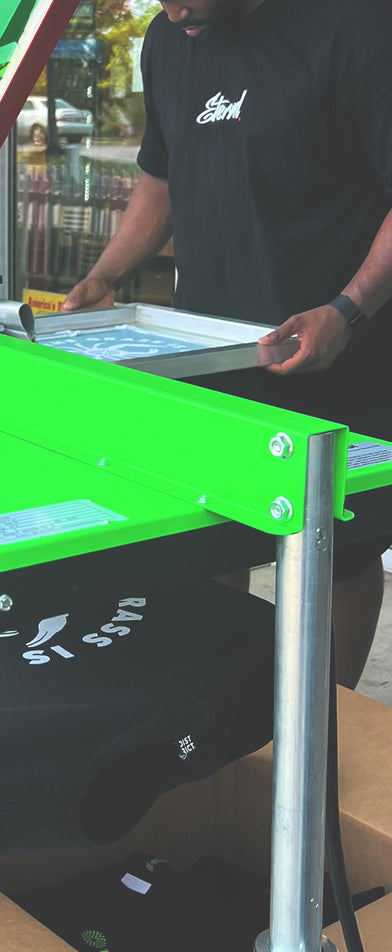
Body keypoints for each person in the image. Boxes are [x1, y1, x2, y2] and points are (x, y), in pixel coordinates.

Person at [60, 0, 392, 688]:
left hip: (335, 352)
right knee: (207, 540)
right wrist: (106, 274)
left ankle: (329, 725)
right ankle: (220, 718)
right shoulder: (167, 39)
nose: (170, 7)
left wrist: (347, 309)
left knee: (341, 553)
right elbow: (162, 175)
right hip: (210, 355)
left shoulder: (357, 24)